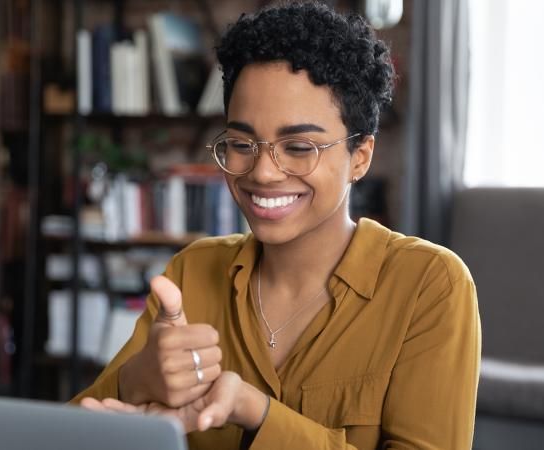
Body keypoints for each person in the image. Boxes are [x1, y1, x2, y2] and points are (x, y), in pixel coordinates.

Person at [74, 2, 481, 449]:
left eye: (299, 146)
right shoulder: (192, 273)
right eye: (241, 142)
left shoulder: (429, 284)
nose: (263, 173)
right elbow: (64, 436)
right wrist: (135, 380)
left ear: (360, 157)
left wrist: (256, 412)